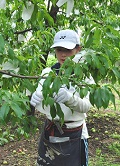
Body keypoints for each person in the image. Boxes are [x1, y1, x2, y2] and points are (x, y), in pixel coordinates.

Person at [30, 29, 94, 166]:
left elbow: (86, 106)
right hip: (51, 130)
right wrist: (37, 100)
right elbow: (45, 107)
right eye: (59, 50)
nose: (63, 54)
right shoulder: (48, 73)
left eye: (68, 50)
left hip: (75, 134)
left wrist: (70, 99)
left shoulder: (84, 77)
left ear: (78, 49)